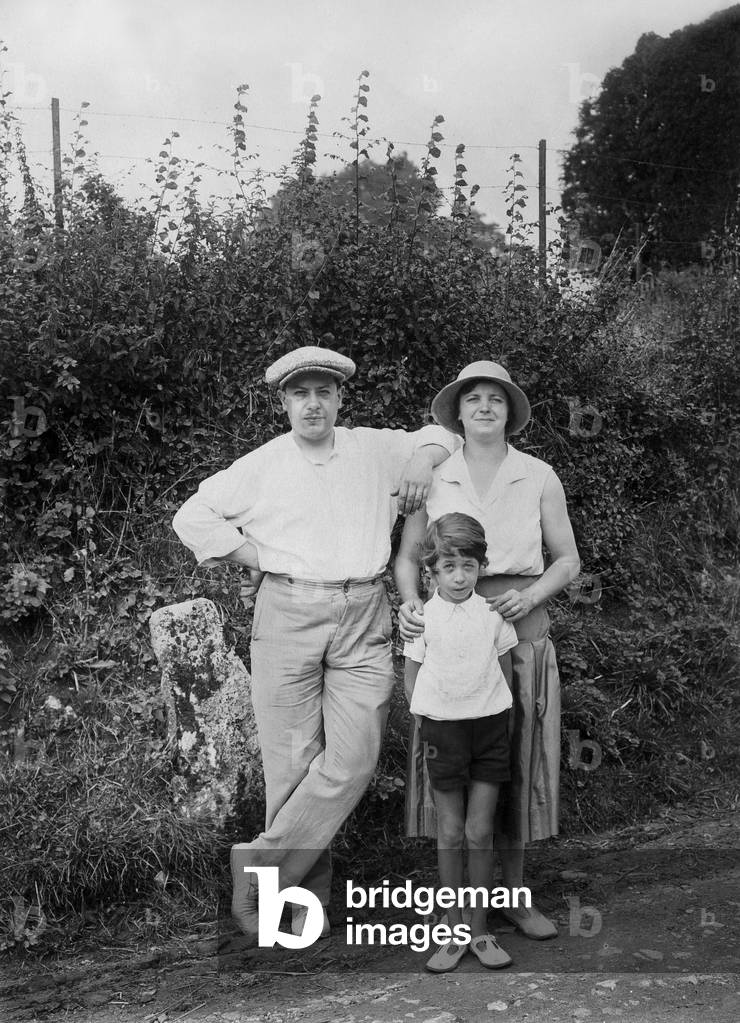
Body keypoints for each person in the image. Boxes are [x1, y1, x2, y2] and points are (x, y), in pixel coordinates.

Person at [172, 345, 458, 941]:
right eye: (300, 394)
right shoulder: (265, 463)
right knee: (293, 767)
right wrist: (255, 555)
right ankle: (301, 909)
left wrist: (421, 459)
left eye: (323, 392)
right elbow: (191, 517)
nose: (312, 405)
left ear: (339, 398)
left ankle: (261, 864)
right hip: (288, 612)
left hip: (364, 614)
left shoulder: (371, 449)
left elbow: (444, 434)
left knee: (353, 760)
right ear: (283, 402)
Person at [395, 360, 580, 940]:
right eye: (472, 397)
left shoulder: (538, 475)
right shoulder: (436, 475)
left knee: (516, 765)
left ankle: (514, 898)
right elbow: (408, 558)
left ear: (510, 412)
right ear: (456, 412)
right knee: (454, 767)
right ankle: (457, 907)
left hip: (517, 631)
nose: (483, 406)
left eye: (495, 399)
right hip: (450, 638)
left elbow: (568, 559)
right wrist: (411, 605)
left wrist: (531, 596)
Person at [404, 512, 518, 973]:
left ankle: (480, 930)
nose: (458, 577)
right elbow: (411, 680)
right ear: (431, 571)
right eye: (448, 567)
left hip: (490, 731)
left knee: (479, 831)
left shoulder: (493, 616)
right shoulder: (421, 620)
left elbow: (505, 674)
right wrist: (430, 724)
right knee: (450, 832)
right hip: (443, 733)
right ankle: (453, 932)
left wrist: (498, 717)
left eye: (468, 566)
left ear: (480, 567)